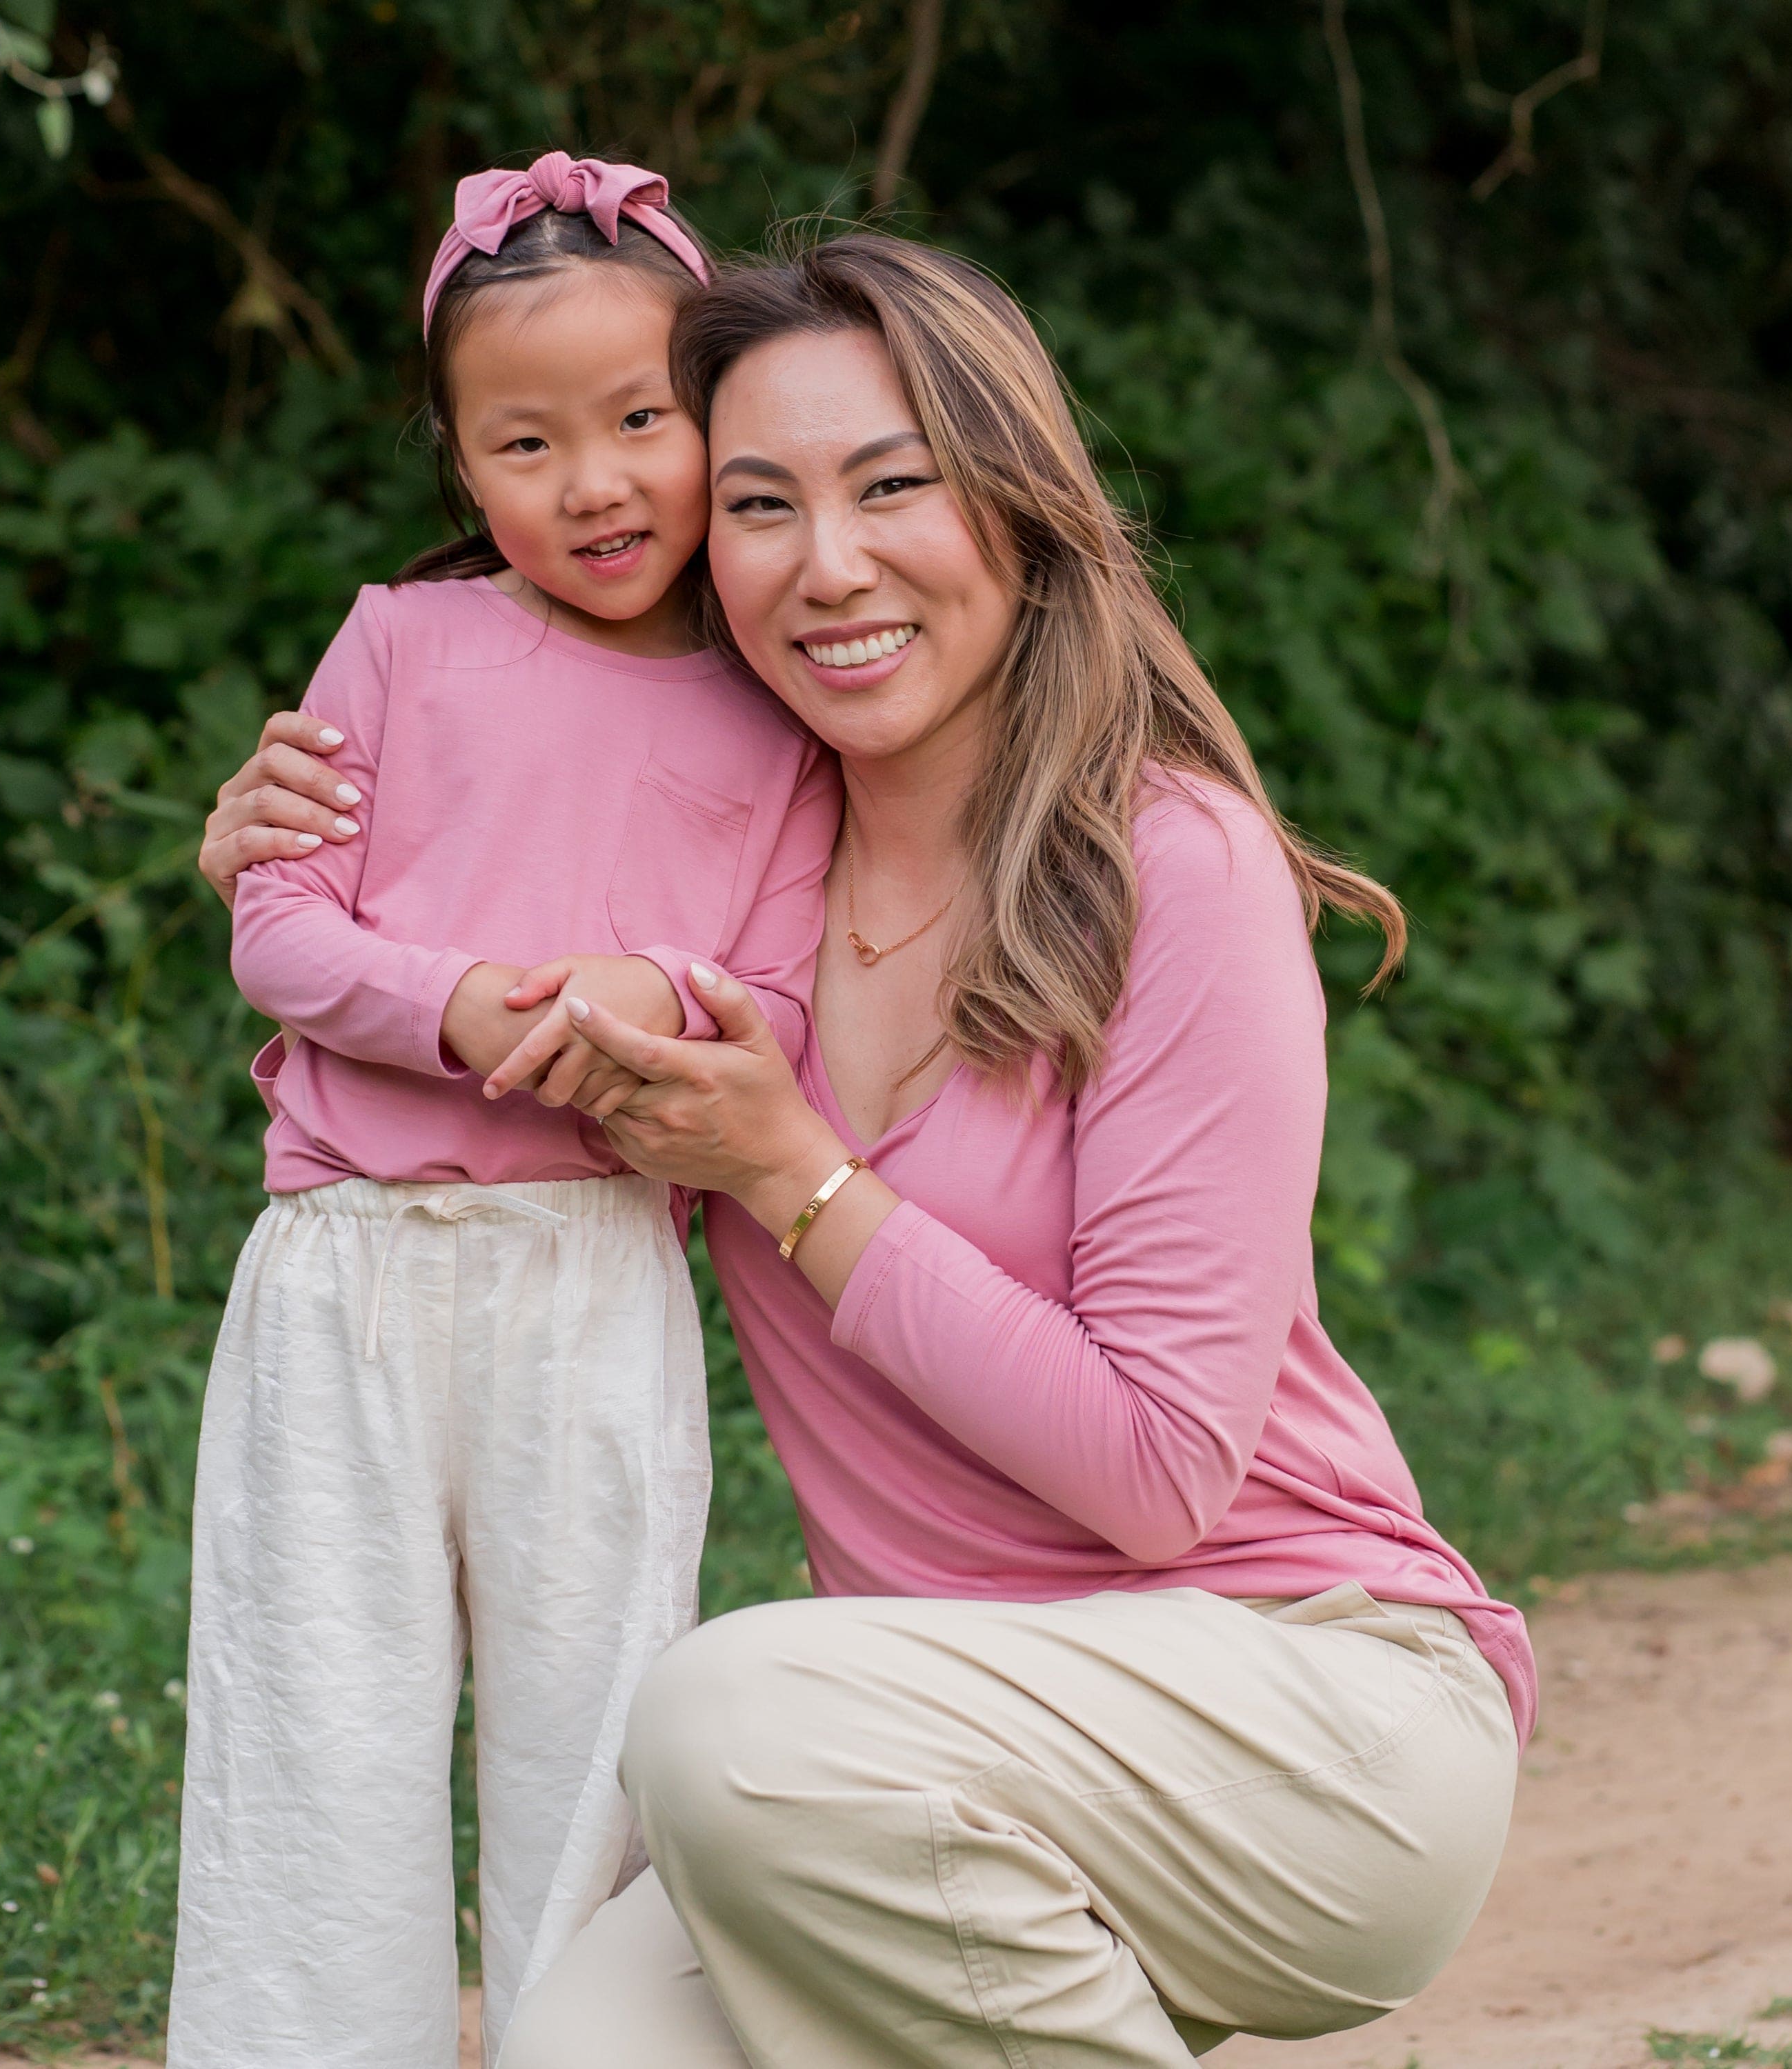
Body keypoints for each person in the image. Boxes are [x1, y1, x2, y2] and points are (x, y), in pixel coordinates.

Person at [200, 232, 1535, 2068]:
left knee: (725, 1711)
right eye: (759, 503)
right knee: (583, 2042)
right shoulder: (726, 865)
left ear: (1017, 504)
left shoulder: (1171, 866)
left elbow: (1158, 1475)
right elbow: (439, 874)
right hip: (930, 1761)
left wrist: (792, 1174)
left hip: (1310, 1706)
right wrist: (274, 847)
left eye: (891, 485)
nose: (829, 565)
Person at [168, 155, 839, 2069]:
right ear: (465, 472)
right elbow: (279, 927)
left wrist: (662, 1000)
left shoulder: (772, 709)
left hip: (596, 1279)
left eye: (644, 420)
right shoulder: (400, 643)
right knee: (318, 1726)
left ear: (717, 418)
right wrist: (461, 1008)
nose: (598, 481)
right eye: (527, 443)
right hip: (345, 1278)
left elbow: (776, 999)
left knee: (597, 1736)